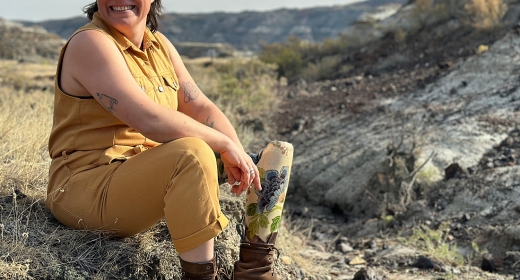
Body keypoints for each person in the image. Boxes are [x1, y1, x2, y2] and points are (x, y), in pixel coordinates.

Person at [45, 0, 279, 279]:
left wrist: (239, 154)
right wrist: (224, 146)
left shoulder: (159, 44)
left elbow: (200, 106)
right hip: (86, 189)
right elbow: (150, 121)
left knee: (276, 157)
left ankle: (256, 269)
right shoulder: (91, 42)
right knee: (193, 152)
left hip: (141, 174)